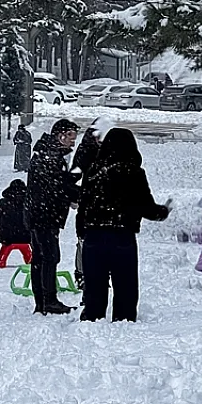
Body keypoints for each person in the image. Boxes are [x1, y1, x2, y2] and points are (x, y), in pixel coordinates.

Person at [76, 127, 170, 322]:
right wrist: (162, 212)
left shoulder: (94, 170)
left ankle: (93, 316)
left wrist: (82, 230)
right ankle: (124, 318)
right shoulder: (133, 172)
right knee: (125, 283)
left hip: (94, 233)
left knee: (94, 282)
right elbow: (145, 206)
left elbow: (83, 203)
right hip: (122, 235)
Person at [25, 118, 80, 314]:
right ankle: (48, 300)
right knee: (49, 257)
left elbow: (60, 184)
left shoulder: (47, 152)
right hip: (44, 215)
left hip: (38, 213)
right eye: (71, 137)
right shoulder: (50, 156)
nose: (73, 142)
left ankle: (42, 301)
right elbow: (58, 186)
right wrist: (79, 195)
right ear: (61, 135)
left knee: (41, 258)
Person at [69, 122, 103, 291]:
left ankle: (101, 272)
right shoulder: (85, 150)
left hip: (107, 202)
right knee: (84, 239)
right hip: (89, 201)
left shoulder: (111, 149)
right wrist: (76, 195)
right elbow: (74, 174)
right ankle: (81, 274)